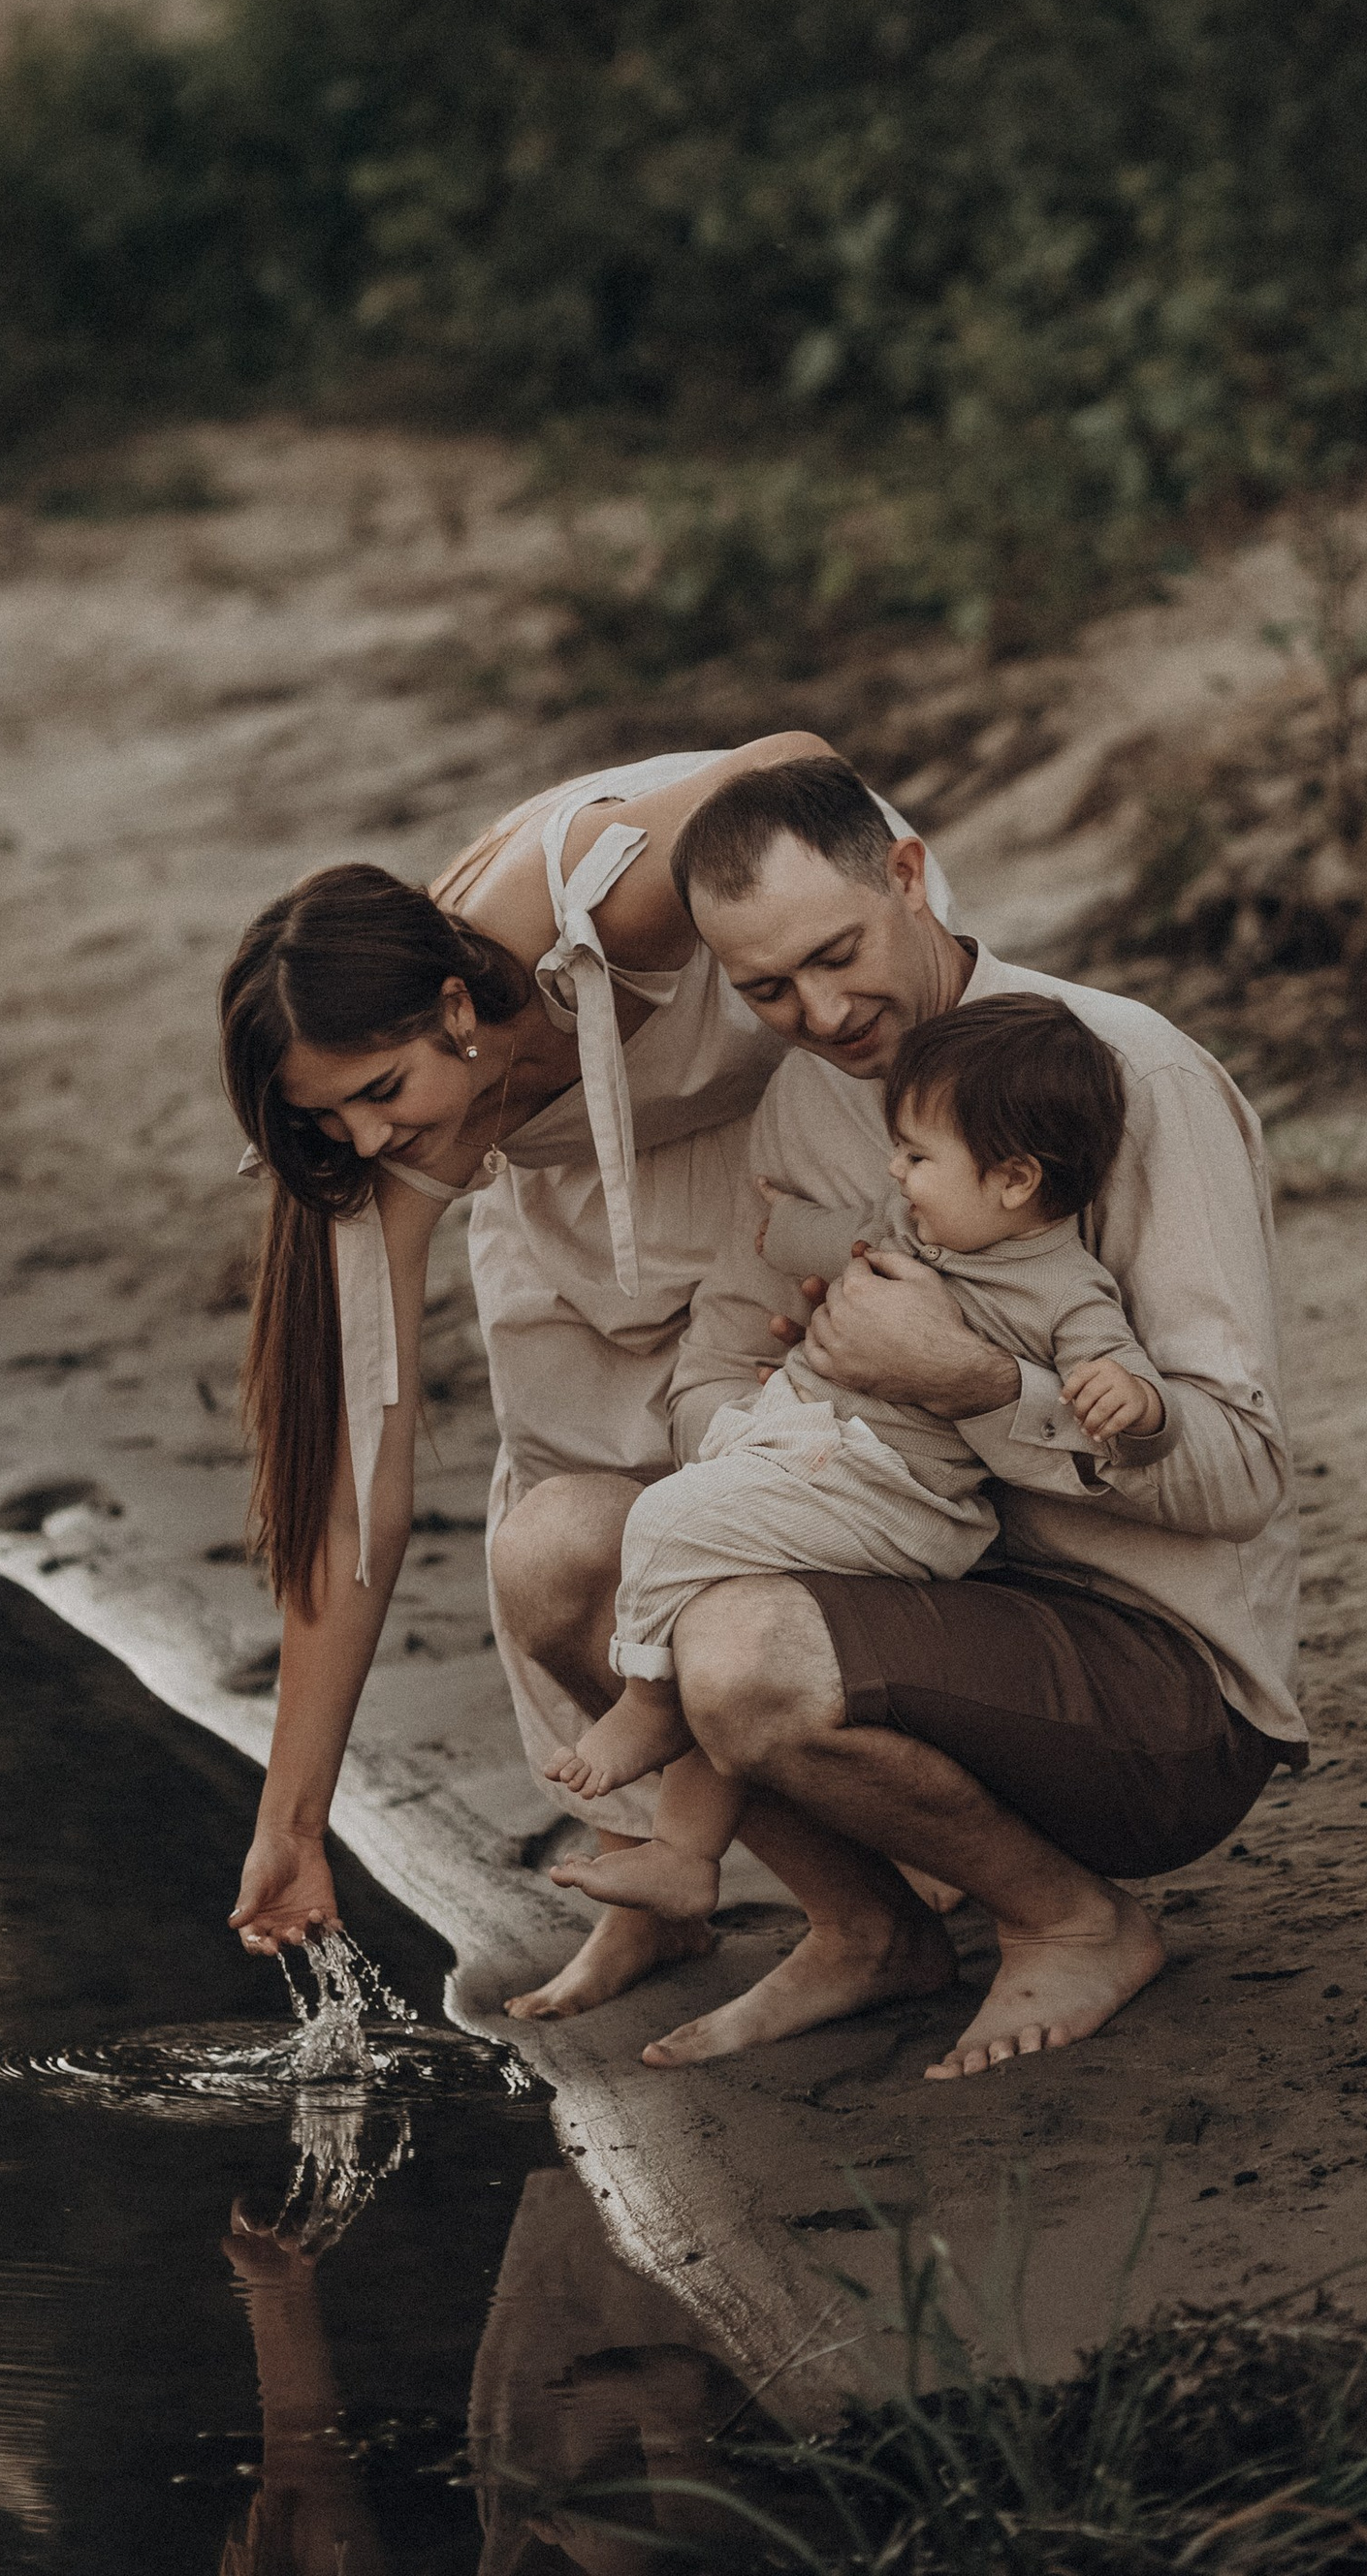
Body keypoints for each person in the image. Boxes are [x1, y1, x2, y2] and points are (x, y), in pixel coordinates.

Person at [488, 753, 1303, 2081]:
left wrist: (975, 1387)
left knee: (745, 1651)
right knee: (557, 1545)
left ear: (910, 876)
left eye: (838, 953)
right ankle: (868, 1928)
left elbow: (1243, 1475)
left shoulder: (1121, 1077)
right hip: (913, 1575)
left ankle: (1073, 1918)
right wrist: (796, 1445)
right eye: (764, 989)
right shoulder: (811, 1094)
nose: (818, 1010)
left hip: (1157, 1684)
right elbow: (708, 1371)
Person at [214, 736, 944, 2023]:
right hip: (570, 1194)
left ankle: (922, 1836)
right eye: (332, 1122)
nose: (367, 1140)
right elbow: (358, 1501)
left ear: (454, 1005)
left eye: (379, 1092)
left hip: (789, 1118)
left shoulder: (601, 901)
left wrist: (825, 966)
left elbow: (795, 762)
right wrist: (293, 1818)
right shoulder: (391, 1136)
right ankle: (658, 1886)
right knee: (559, 1534)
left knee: (801, 1495)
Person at [541, 993, 1164, 1922]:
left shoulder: (1061, 1287)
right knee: (709, 1587)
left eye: (917, 1157)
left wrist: (1132, 1400)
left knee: (669, 1517)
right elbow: (842, 1235)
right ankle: (683, 1852)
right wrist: (778, 1231)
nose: (895, 1171)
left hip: (896, 1495)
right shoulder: (921, 1226)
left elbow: (1119, 1377)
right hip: (823, 1456)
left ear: (1015, 1180)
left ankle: (646, 1698)